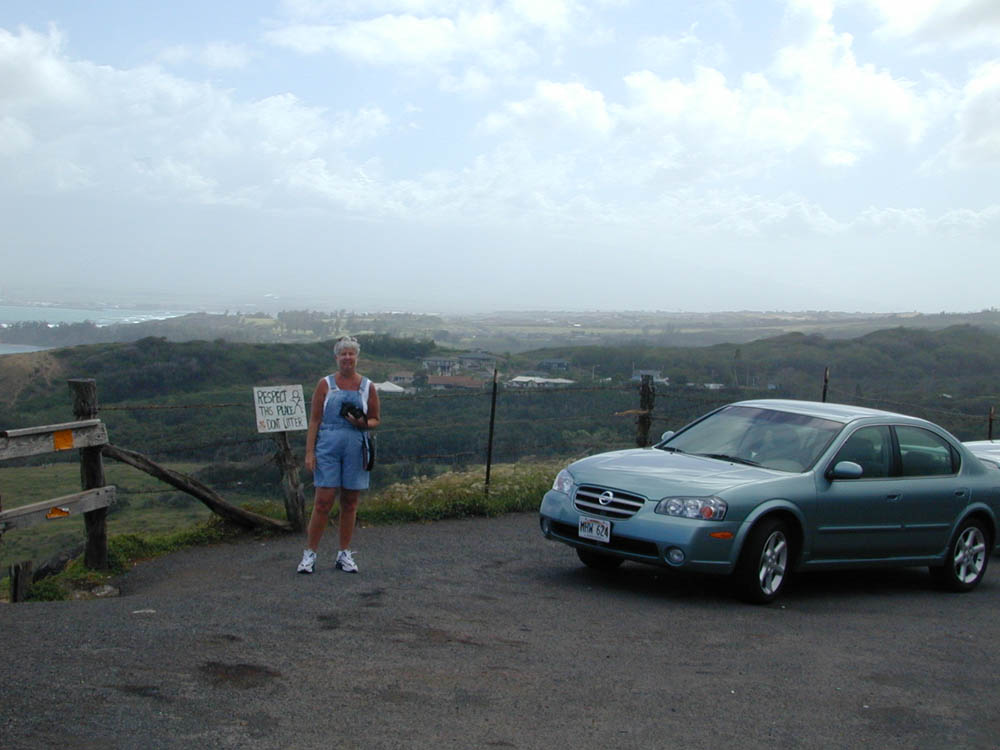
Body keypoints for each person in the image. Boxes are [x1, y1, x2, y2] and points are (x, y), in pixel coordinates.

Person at [296, 336, 380, 574]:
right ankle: (310, 554)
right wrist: (310, 452)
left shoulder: (367, 386)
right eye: (343, 354)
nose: (347, 358)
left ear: (357, 357)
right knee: (323, 500)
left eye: (351, 353)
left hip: (356, 444)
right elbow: (315, 420)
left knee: (350, 501)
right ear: (336, 358)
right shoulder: (325, 384)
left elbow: (376, 418)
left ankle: (344, 553)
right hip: (328, 446)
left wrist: (363, 423)